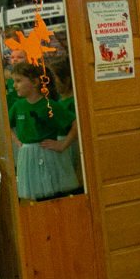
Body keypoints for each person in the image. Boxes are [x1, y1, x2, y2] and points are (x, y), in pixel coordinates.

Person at [9, 62, 79, 200]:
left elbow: (75, 124)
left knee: (55, 195)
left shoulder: (50, 105)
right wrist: (17, 141)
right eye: (14, 81)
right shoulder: (18, 105)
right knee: (38, 197)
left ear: (35, 82)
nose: (14, 85)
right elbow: (7, 125)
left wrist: (63, 144)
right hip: (28, 155)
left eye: (18, 81)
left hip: (49, 155)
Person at [49, 56, 82, 184]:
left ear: (66, 79)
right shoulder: (59, 99)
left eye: (55, 79)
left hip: (70, 143)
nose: (53, 84)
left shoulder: (73, 101)